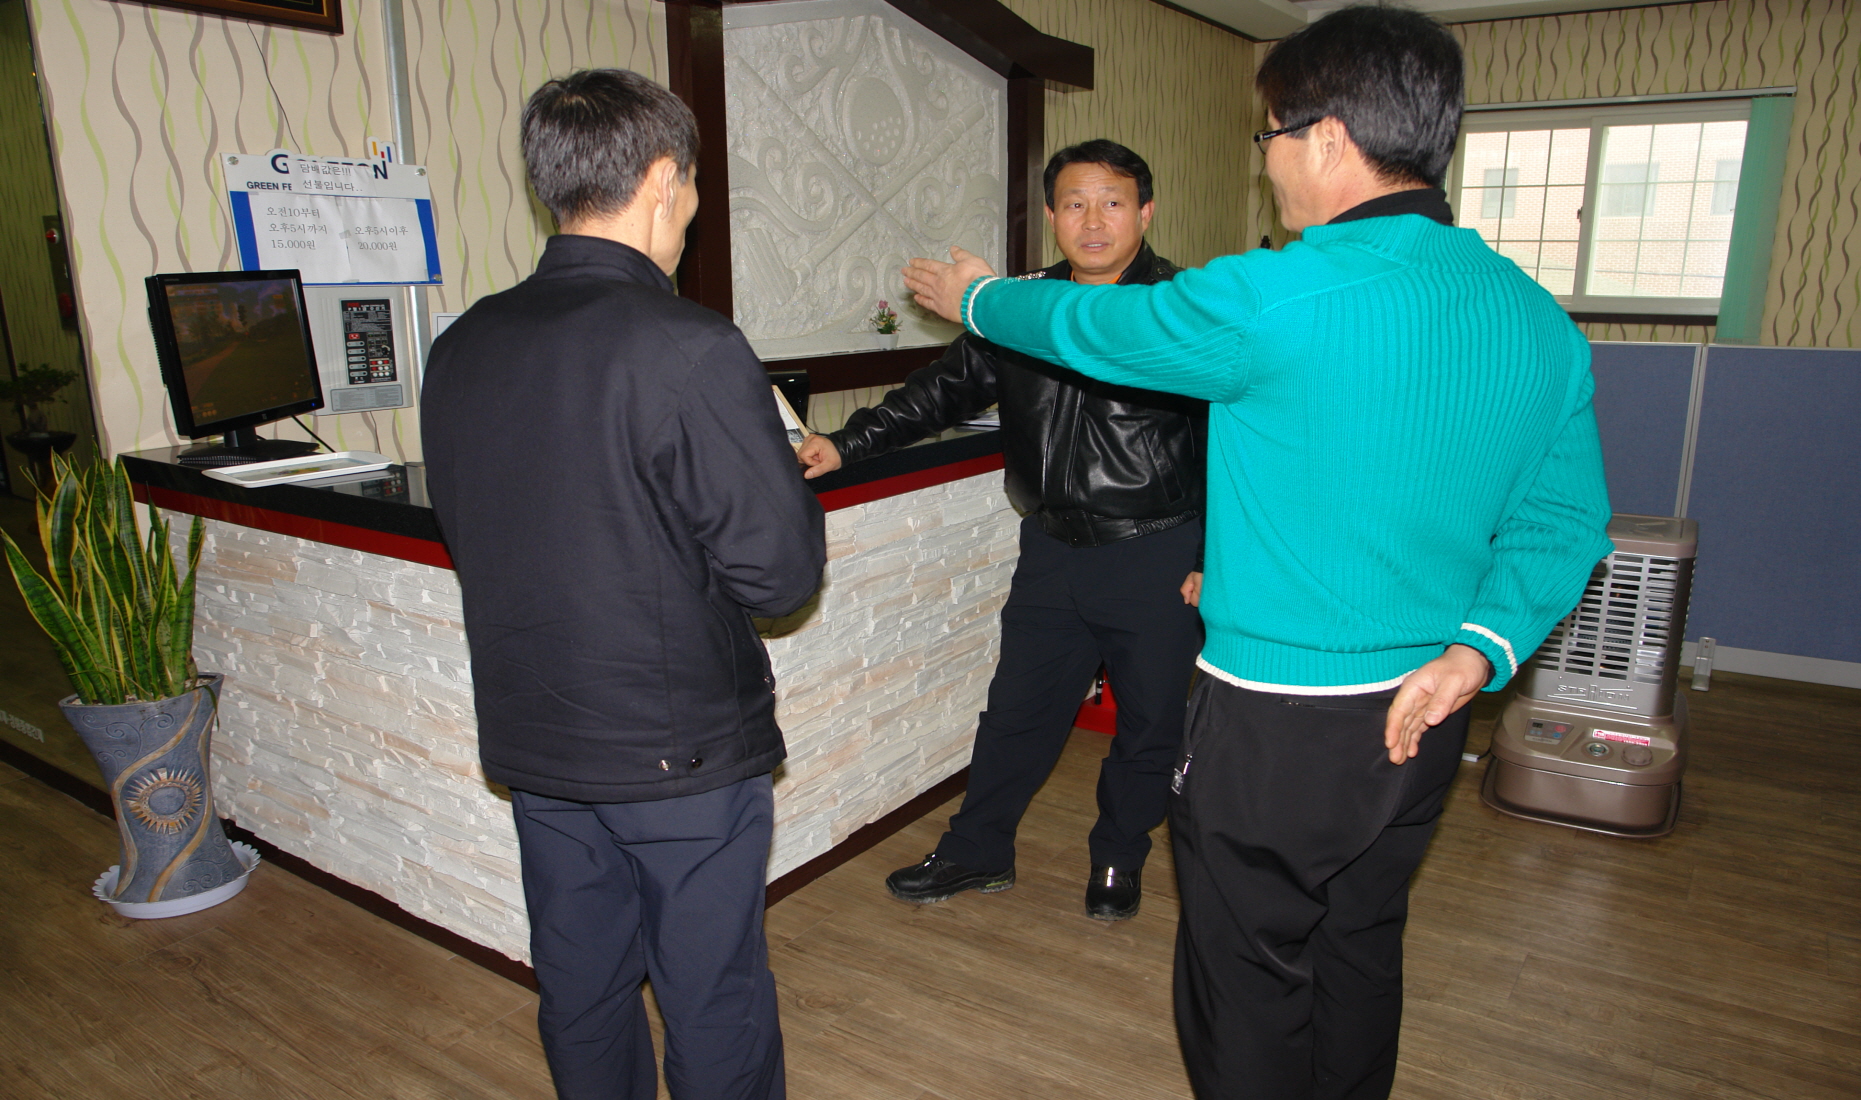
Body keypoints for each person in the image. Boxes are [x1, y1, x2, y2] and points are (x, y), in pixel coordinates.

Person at [901, 7, 1614, 1098]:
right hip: (1429, 705)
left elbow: (1101, 329)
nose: (1267, 160)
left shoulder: (1276, 292)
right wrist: (1478, 650)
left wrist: (978, 298)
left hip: (1278, 716)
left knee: (1246, 971)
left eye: (1268, 134)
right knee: (1359, 942)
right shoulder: (1533, 316)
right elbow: (1561, 521)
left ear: (1325, 138)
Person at [421, 69, 823, 1100]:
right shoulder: (689, 344)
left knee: (582, 985)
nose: (690, 207)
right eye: (690, 186)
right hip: (678, 746)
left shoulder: (463, 343)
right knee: (711, 995)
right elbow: (778, 574)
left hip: (536, 736)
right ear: (660, 179)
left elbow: (481, 528)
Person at [797, 140, 1205, 922]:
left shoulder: (1178, 307)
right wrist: (846, 443)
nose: (1093, 221)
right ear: (1051, 216)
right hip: (1050, 548)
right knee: (1017, 711)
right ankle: (977, 850)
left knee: (1151, 721)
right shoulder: (1016, 308)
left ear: (1145, 212)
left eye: (1112, 202)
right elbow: (939, 392)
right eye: (1074, 204)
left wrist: (1214, 554)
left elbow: (1231, 443)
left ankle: (1119, 857)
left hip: (1156, 551)